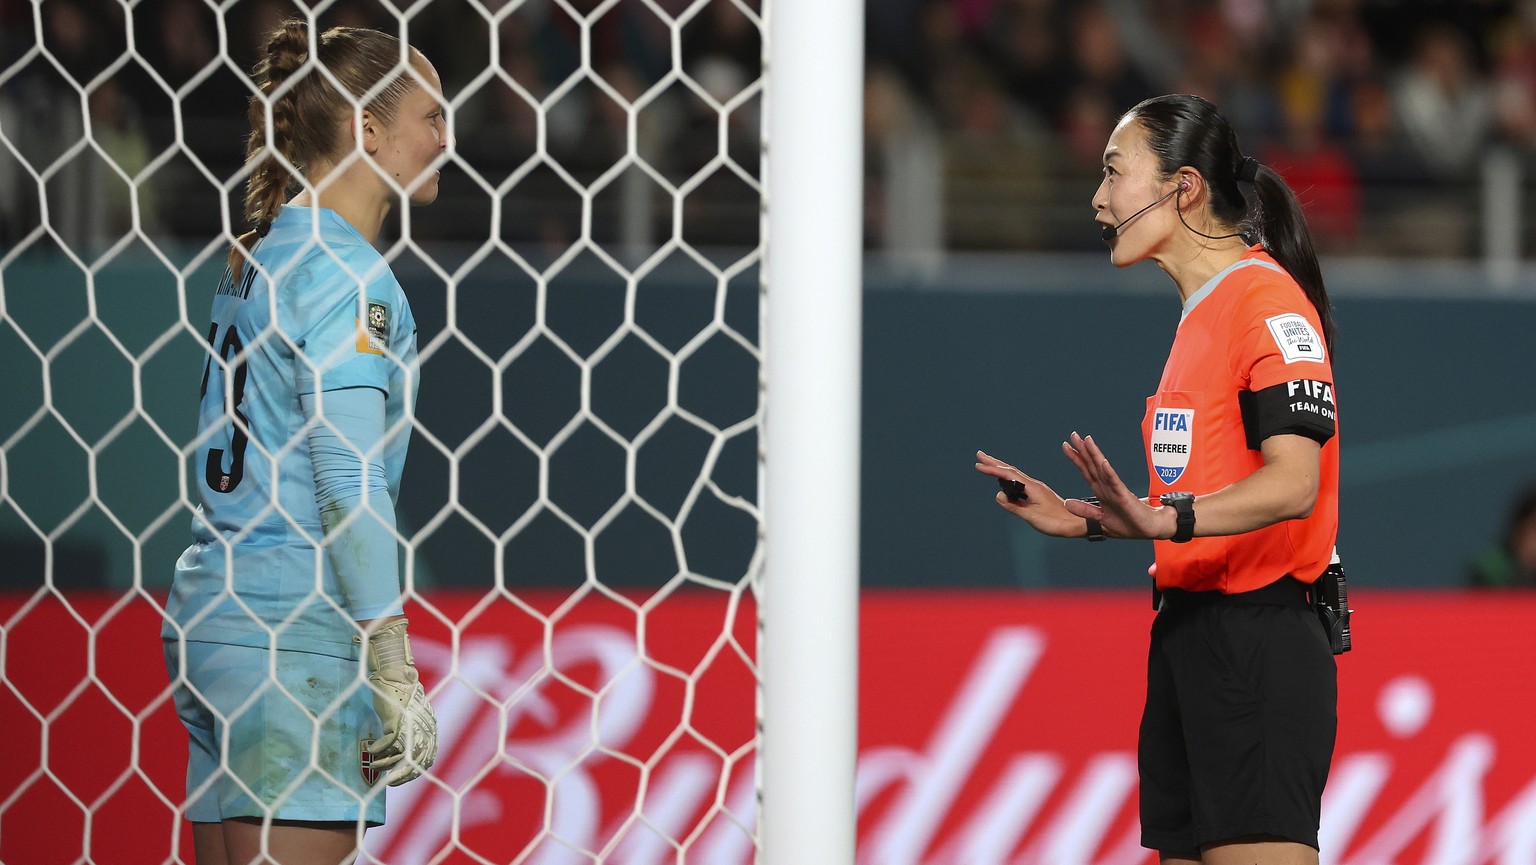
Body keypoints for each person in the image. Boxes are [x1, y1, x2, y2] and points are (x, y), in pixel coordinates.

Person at [975, 93, 1341, 865]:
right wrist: (1092, 519)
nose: (1099, 199)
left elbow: (1292, 485)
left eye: (1114, 172)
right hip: (1186, 636)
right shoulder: (1199, 316)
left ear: (1183, 188)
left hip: (1257, 645)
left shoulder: (1267, 302)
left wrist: (1161, 518)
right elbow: (1198, 497)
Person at [161, 18, 449, 865]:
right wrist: (391, 659)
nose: (447, 138)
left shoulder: (257, 256)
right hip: (294, 641)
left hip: (215, 621)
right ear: (368, 129)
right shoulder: (352, 280)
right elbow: (346, 475)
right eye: (431, 117)